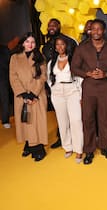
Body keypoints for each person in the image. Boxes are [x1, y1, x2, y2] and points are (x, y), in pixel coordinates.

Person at [71, 19, 107, 165]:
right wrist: (87, 74)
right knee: (87, 119)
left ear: (103, 31)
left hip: (105, 88)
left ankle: (105, 147)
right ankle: (89, 150)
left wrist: (106, 74)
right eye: (93, 29)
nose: (96, 31)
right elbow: (74, 68)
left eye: (99, 29)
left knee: (106, 119)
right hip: (89, 87)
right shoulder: (82, 48)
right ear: (89, 31)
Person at [9, 32, 48, 161]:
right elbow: (13, 77)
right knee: (25, 120)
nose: (30, 45)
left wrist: (32, 94)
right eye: (27, 42)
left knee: (37, 121)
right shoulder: (14, 57)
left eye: (33, 42)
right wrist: (23, 93)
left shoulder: (40, 56)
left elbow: (43, 77)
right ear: (22, 43)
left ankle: (38, 148)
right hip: (21, 95)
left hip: (37, 94)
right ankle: (28, 143)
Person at [42, 18, 78, 149]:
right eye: (49, 25)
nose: (51, 27)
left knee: (74, 117)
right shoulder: (45, 47)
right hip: (56, 86)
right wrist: (50, 87)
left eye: (54, 25)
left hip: (70, 84)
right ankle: (62, 139)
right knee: (61, 116)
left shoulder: (70, 41)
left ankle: (76, 141)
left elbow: (76, 61)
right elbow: (47, 67)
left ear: (59, 26)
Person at [47, 35, 84, 163]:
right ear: (55, 48)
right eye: (57, 45)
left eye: (62, 44)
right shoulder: (51, 62)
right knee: (62, 122)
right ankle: (68, 147)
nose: (60, 47)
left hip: (72, 91)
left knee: (76, 120)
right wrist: (53, 92)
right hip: (57, 93)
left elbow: (80, 78)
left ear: (66, 45)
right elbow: (49, 79)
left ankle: (79, 149)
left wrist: (80, 95)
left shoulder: (73, 59)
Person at [0, 44, 11, 128]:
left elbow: (9, 64)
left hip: (2, 78)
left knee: (5, 99)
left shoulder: (4, 49)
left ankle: (5, 120)